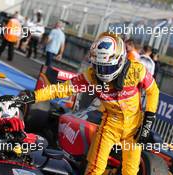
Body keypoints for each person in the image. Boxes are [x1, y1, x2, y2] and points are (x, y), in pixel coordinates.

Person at [8, 32, 160, 174]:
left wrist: (148, 122)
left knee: (131, 171)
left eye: (108, 67)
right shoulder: (90, 76)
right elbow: (60, 89)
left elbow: (153, 91)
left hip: (135, 128)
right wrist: (32, 96)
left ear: (120, 59)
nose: (104, 72)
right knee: (95, 169)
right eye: (100, 67)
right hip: (110, 126)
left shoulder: (136, 70)